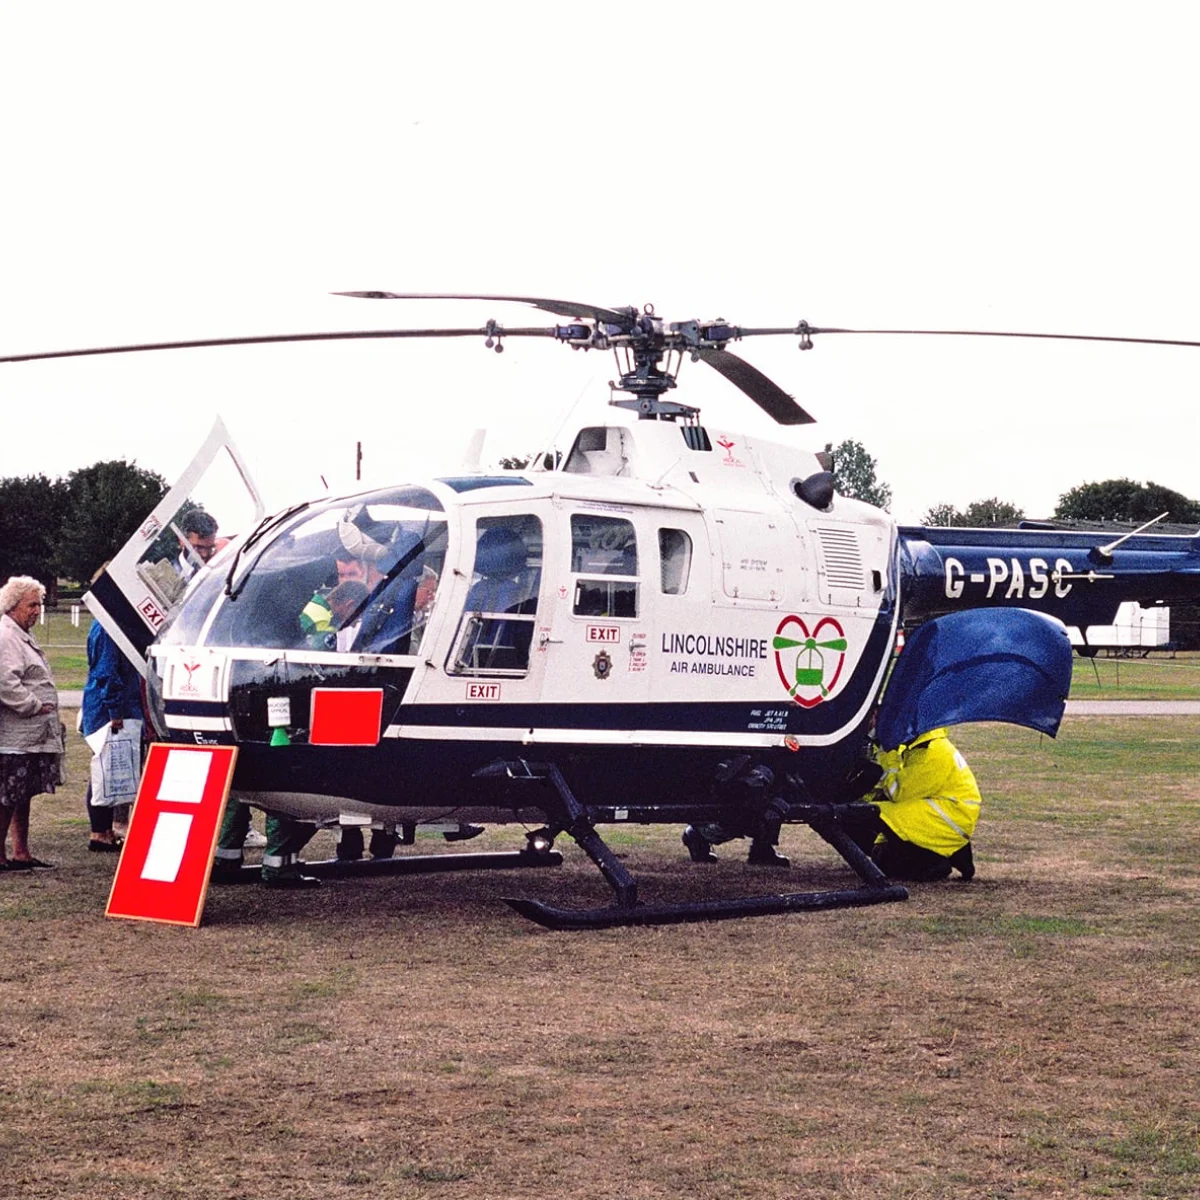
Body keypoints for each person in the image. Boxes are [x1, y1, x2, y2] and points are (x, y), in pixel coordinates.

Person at [864, 727, 980, 881]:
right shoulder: (924, 747)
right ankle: (951, 853)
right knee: (874, 820)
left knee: (870, 814)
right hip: (950, 817)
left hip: (948, 819)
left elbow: (896, 792)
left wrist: (888, 755)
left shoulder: (930, 753)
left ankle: (933, 863)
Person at [0, 577, 60, 871]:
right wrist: (34, 705)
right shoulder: (5, 636)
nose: (38, 610)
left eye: (40, 604)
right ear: (13, 606)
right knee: (7, 795)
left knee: (21, 793)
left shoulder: (20, 633)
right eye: (32, 604)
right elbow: (5, 682)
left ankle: (20, 852)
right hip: (14, 734)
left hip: (29, 735)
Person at [79, 618, 143, 851]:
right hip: (112, 710)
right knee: (105, 771)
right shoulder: (108, 627)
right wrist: (115, 710)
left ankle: (105, 829)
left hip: (112, 707)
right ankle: (99, 832)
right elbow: (106, 671)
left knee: (109, 769)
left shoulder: (107, 625)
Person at [174, 510, 219, 581]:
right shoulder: (172, 575)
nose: (205, 554)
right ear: (182, 541)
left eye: (210, 548)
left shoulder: (217, 568)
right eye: (199, 547)